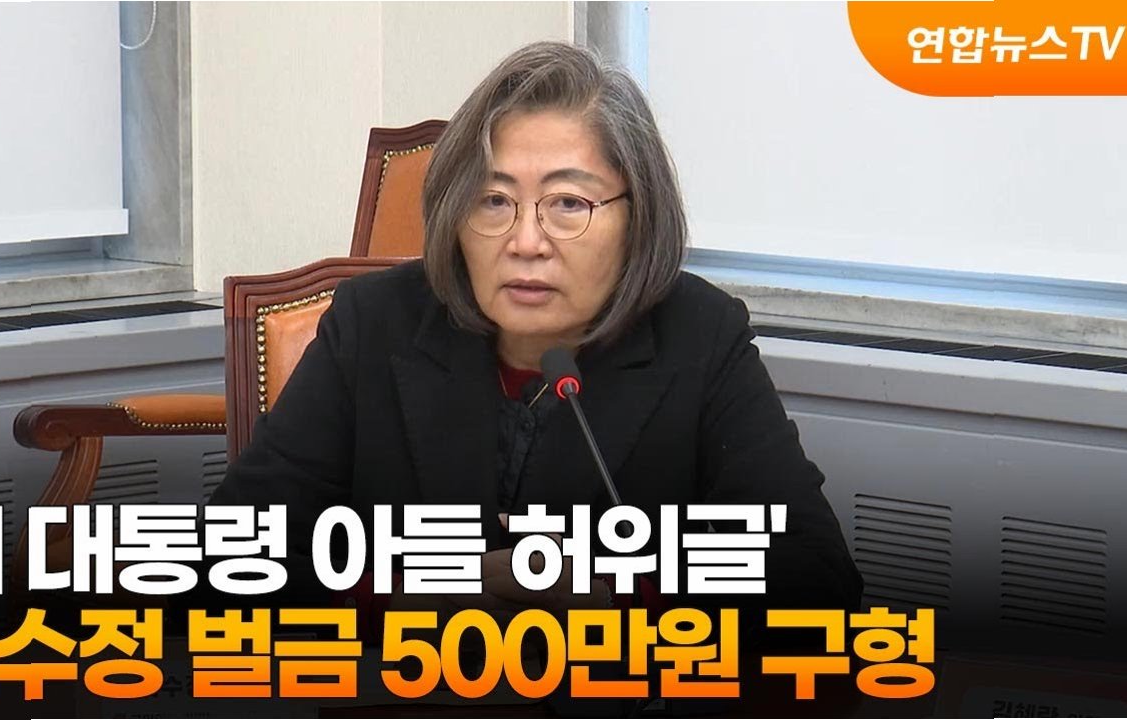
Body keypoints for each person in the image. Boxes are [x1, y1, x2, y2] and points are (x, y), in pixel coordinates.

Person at [211, 40, 861, 660]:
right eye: (493, 200)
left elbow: (818, 585)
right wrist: (400, 599)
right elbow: (225, 560)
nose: (525, 241)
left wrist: (626, 606)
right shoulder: (374, 323)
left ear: (638, 217)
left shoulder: (700, 336)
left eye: (569, 203)